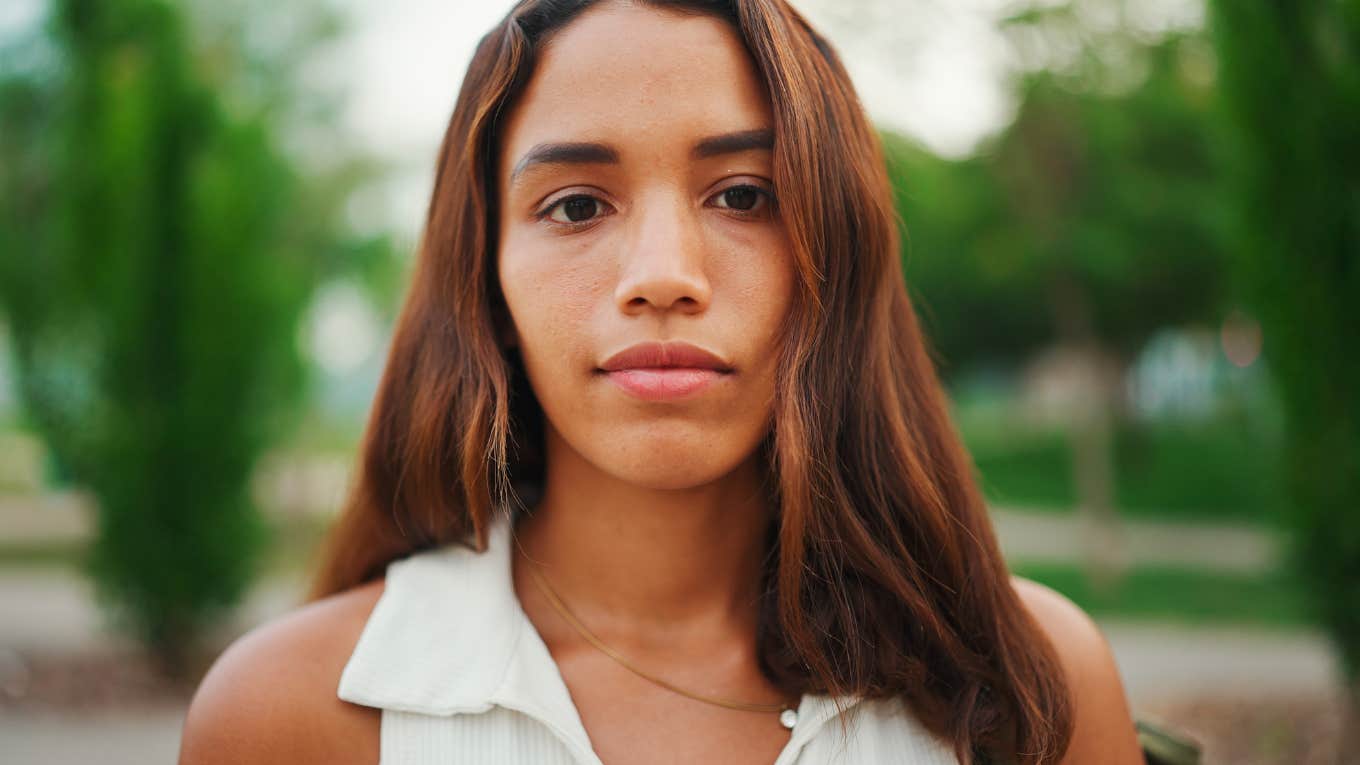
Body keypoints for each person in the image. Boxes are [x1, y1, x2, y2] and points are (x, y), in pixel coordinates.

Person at [178, 1, 1142, 763]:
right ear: (487, 279)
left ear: (837, 253)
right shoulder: (292, 714)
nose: (663, 274)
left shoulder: (1029, 685)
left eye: (743, 195)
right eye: (577, 205)